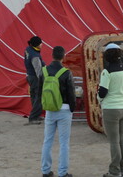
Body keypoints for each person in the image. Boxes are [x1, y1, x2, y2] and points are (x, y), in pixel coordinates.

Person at [40, 45, 76, 177]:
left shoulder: (44, 71)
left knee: (47, 140)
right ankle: (62, 172)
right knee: (64, 143)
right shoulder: (66, 72)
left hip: (50, 110)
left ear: (52, 55)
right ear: (63, 56)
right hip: (64, 110)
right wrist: (72, 108)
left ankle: (45, 171)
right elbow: (71, 93)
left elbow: (39, 91)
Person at [98, 42, 123, 177]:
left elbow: (102, 92)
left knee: (114, 141)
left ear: (107, 56)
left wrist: (99, 98)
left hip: (111, 108)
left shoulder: (107, 71)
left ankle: (114, 171)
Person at [24, 35, 45, 124]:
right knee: (38, 98)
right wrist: (43, 81)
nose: (42, 44)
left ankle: (36, 115)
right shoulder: (35, 56)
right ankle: (33, 118)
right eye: (40, 43)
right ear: (36, 45)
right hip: (35, 78)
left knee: (33, 96)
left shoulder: (28, 49)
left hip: (29, 76)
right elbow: (38, 71)